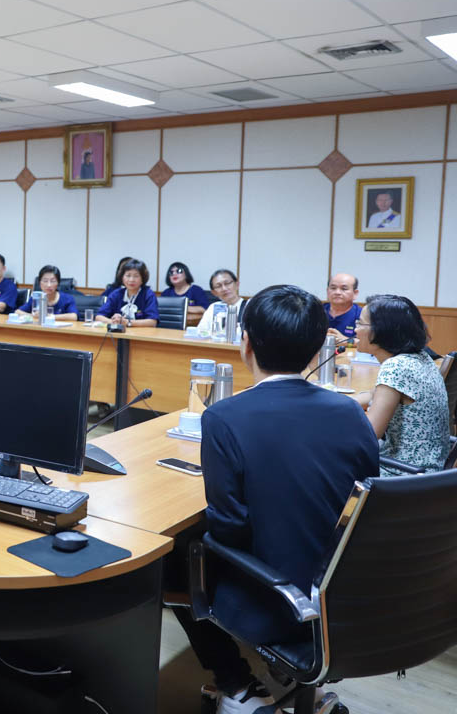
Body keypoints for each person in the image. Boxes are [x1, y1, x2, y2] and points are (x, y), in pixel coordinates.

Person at [174, 284, 379, 714]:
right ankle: (290, 672)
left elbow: (228, 528)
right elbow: (363, 502)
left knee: (176, 554)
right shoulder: (350, 411)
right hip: (343, 593)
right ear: (317, 349)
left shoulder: (224, 417)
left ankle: (238, 686)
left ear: (246, 342)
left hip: (279, 600)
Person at [352, 295, 450, 473]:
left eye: (360, 323)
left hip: (402, 474)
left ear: (381, 330)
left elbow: (369, 435)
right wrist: (335, 404)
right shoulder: (419, 357)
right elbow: (373, 395)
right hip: (429, 471)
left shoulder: (396, 367)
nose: (355, 329)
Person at [96, 259, 158, 327]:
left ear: (142, 279)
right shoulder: (116, 294)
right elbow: (99, 317)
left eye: (136, 276)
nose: (131, 280)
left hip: (142, 333)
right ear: (122, 278)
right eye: (128, 276)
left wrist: (128, 322)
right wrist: (115, 322)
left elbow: (152, 322)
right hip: (118, 332)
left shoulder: (148, 295)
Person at [324, 273, 361, 341]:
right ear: (327, 291)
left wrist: (345, 340)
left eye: (344, 289)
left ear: (355, 293)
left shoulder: (362, 315)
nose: (337, 292)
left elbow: (370, 343)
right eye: (333, 288)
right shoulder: (316, 311)